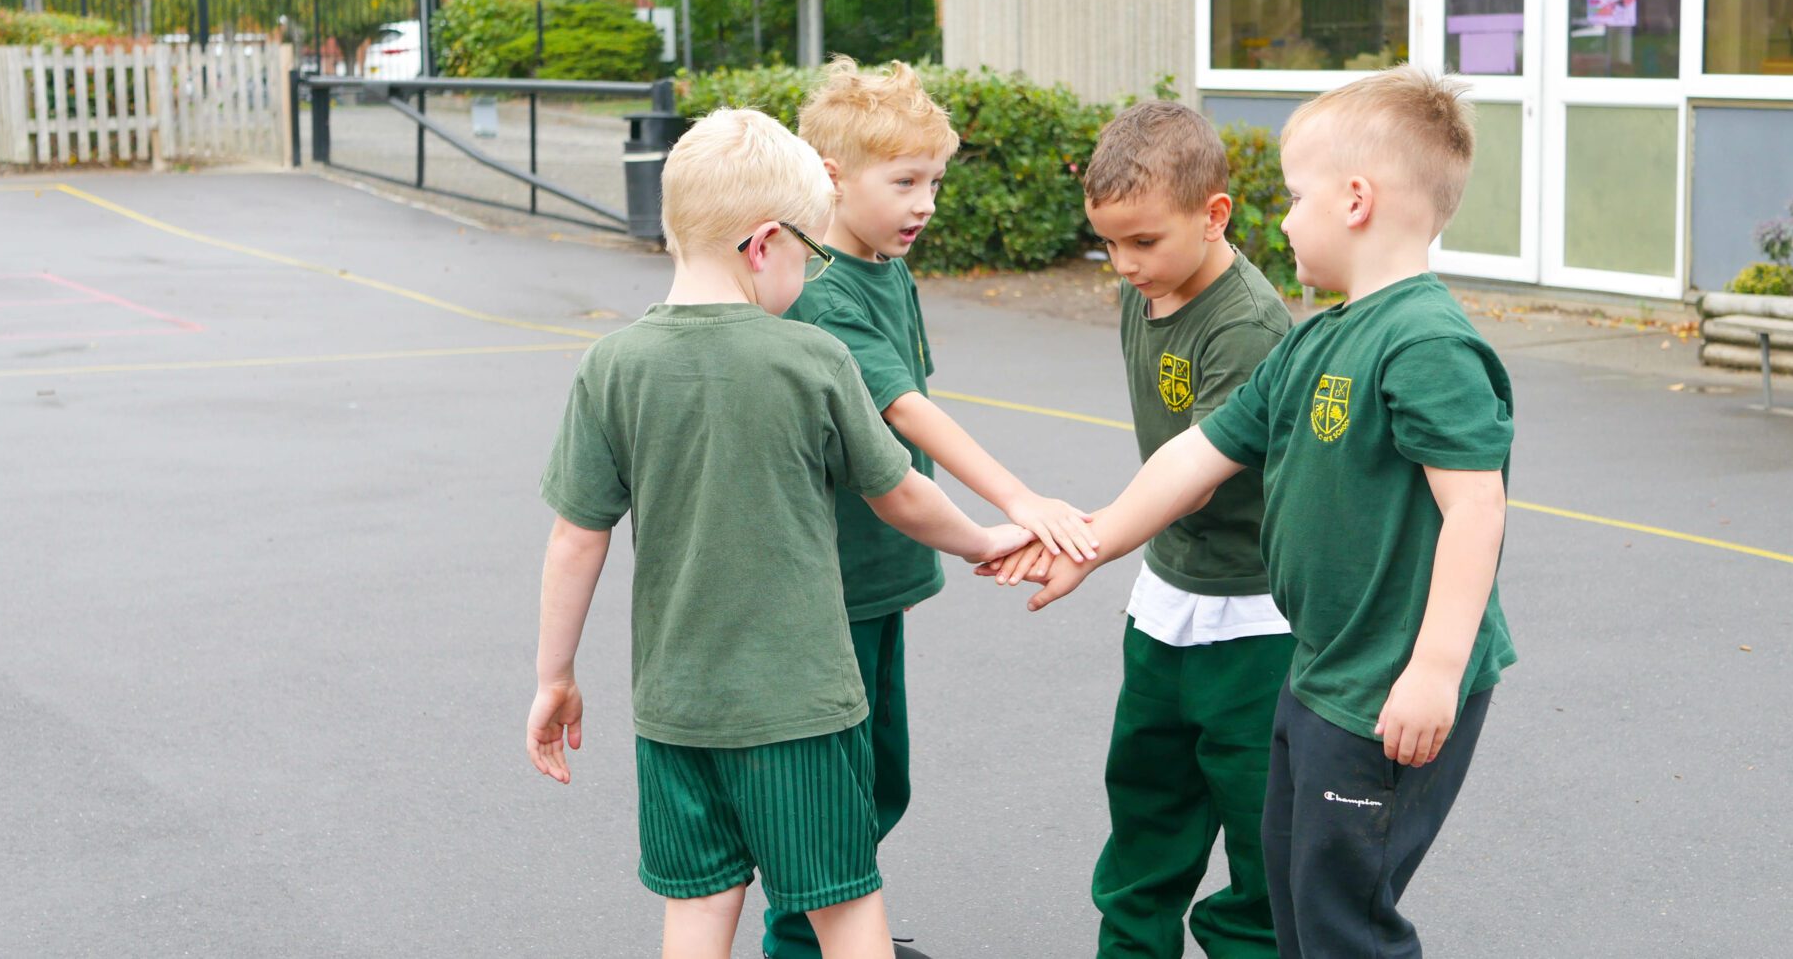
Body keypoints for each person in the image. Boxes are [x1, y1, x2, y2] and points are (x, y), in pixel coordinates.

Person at [992, 66, 1517, 959]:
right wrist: (1096, 540)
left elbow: (1474, 509)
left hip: (1388, 687)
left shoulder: (1427, 341)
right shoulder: (1319, 337)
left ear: (1356, 200)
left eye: (1295, 195)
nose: (1283, 217)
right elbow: (1198, 455)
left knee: (1344, 916)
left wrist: (1434, 671)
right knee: (1292, 889)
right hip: (1320, 671)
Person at [526, 107, 1032, 959]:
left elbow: (577, 536)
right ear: (764, 245)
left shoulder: (611, 366)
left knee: (697, 908)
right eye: (809, 251)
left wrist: (555, 675)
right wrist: (985, 539)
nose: (813, 269)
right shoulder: (809, 358)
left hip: (677, 711)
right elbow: (900, 492)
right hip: (801, 705)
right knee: (844, 906)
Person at [771, 57, 1097, 959]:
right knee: (835, 788)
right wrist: (1017, 498)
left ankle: (840, 928)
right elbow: (906, 410)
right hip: (831, 583)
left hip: (878, 575)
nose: (925, 203)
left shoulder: (885, 270)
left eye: (934, 182)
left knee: (878, 779)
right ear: (831, 175)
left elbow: (912, 396)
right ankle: (804, 940)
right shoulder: (824, 288)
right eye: (904, 181)